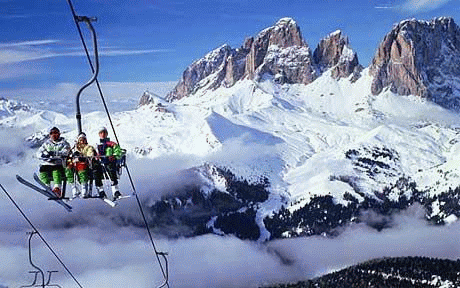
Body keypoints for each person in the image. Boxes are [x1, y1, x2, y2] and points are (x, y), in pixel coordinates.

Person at [37, 127, 73, 198]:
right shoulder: (47, 144)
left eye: (55, 133)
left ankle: (57, 188)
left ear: (59, 134)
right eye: (52, 134)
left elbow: (66, 152)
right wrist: (44, 155)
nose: (54, 135)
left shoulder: (64, 143)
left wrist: (55, 153)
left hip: (59, 163)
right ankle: (47, 186)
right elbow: (39, 152)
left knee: (56, 171)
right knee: (42, 170)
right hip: (48, 163)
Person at [95, 127, 124, 200]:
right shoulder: (97, 145)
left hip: (109, 163)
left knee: (111, 169)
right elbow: (93, 154)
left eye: (104, 133)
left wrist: (114, 156)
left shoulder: (112, 144)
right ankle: (101, 190)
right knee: (95, 170)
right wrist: (96, 157)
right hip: (100, 164)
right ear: (99, 134)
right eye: (101, 133)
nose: (103, 134)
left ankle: (115, 191)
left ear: (107, 134)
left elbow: (118, 152)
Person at [70, 132, 98, 198]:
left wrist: (83, 158)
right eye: (80, 140)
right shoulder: (75, 147)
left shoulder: (88, 147)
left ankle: (84, 187)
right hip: (75, 164)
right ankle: (74, 188)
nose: (82, 141)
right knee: (68, 169)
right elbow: (70, 155)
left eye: (83, 140)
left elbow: (90, 154)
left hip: (84, 164)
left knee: (82, 169)